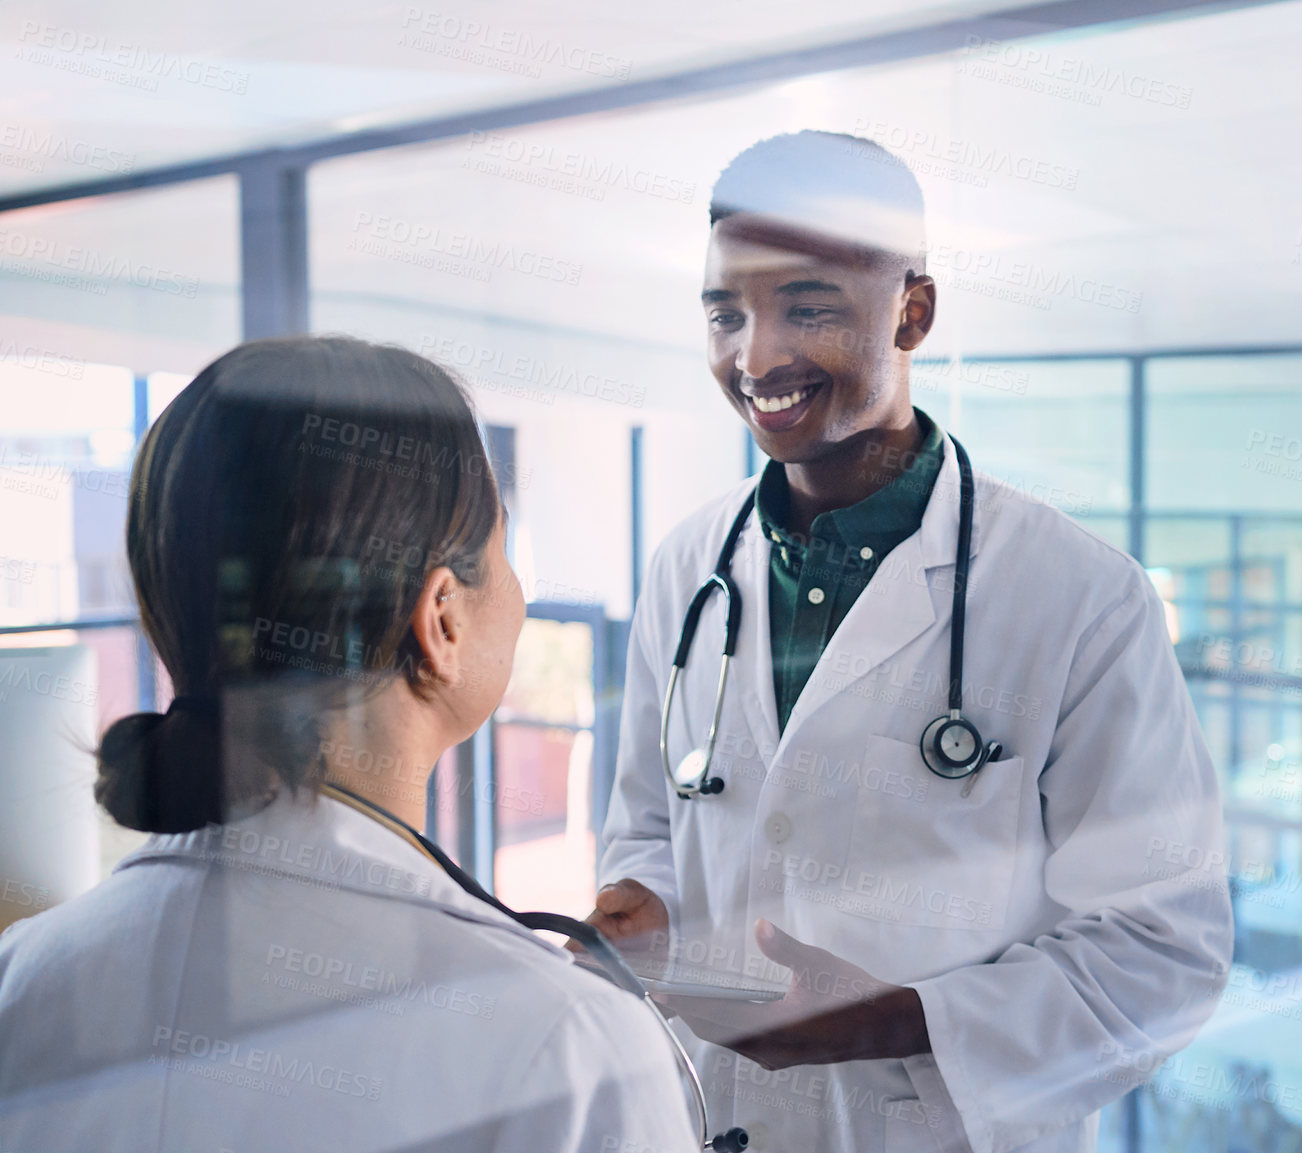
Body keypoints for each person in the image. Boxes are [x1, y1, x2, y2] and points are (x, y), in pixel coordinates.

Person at [589, 131, 1233, 1153]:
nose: (754, 357)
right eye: (725, 313)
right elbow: (644, 828)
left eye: (808, 307)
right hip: (704, 1117)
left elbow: (1161, 952)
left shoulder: (1077, 596)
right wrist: (632, 909)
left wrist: (890, 1017)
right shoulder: (687, 568)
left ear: (912, 310)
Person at [0, 337, 690, 1153]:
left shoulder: (22, 978)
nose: (519, 591)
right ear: (441, 618)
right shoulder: (572, 1049)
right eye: (506, 550)